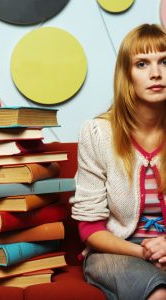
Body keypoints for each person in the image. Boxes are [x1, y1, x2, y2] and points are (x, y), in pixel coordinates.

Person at [70, 23, 166, 300]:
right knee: (158, 292)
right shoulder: (97, 133)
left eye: (164, 61)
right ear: (127, 74)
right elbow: (90, 228)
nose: (156, 73)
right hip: (116, 250)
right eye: (142, 63)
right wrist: (145, 252)